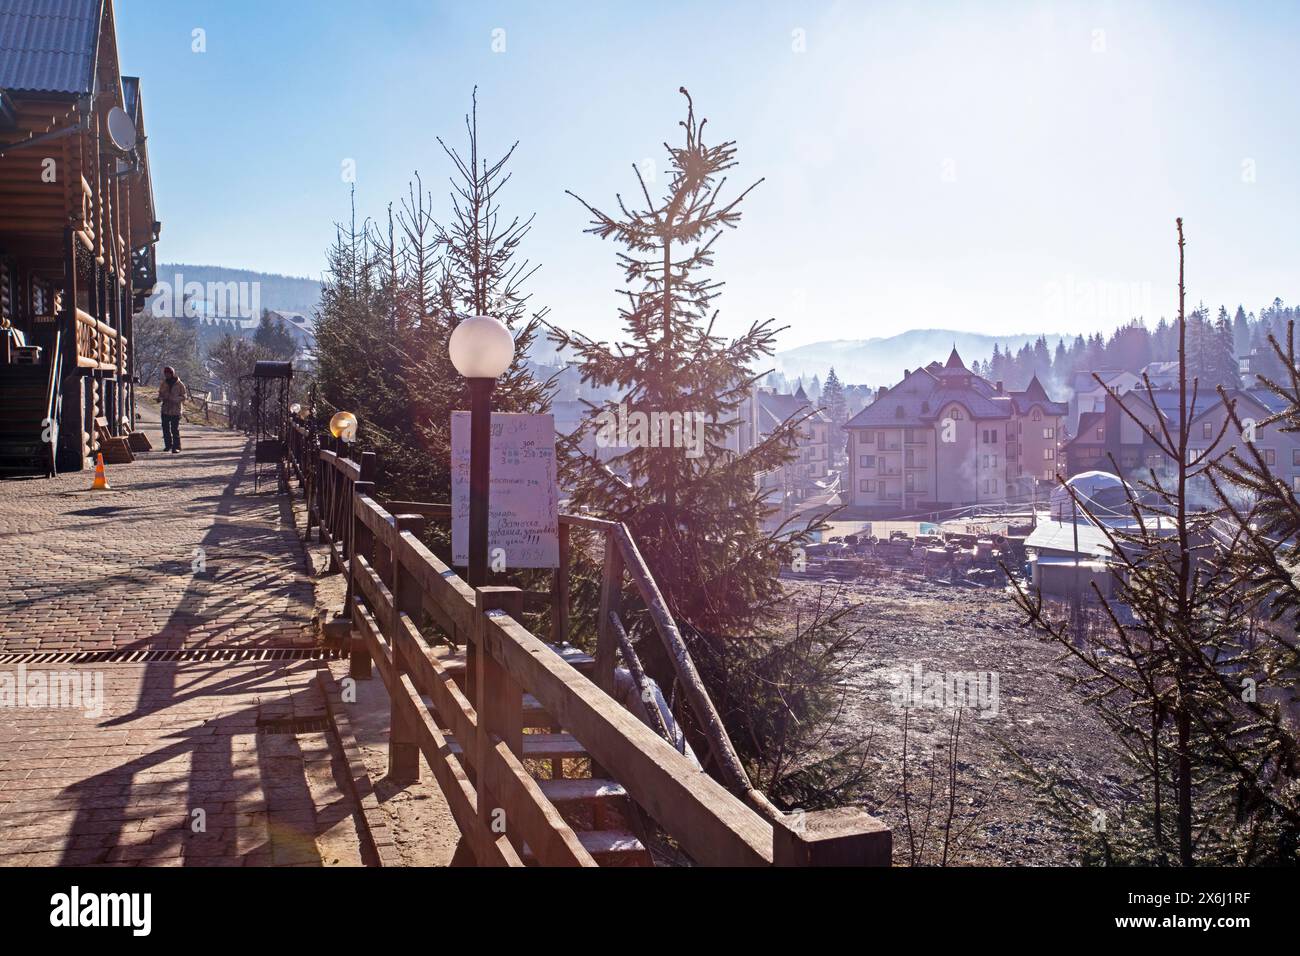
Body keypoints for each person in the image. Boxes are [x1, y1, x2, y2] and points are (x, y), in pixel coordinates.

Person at [158, 366, 188, 453]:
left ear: (172, 373)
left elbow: (184, 396)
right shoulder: (163, 383)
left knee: (174, 429)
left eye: (168, 373)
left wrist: (175, 399)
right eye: (165, 374)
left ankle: (176, 447)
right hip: (165, 409)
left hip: (176, 410)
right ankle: (168, 445)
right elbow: (160, 393)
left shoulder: (180, 384)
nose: (166, 375)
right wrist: (160, 398)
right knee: (165, 428)